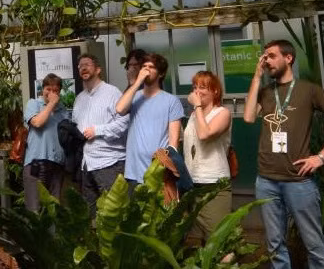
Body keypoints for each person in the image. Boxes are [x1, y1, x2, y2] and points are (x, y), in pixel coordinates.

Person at [244, 40, 324, 269]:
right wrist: (256, 77)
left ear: (289, 58)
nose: (267, 61)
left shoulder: (309, 89)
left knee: (314, 244)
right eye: (264, 57)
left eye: (272, 56)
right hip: (266, 180)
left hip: (299, 181)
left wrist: (321, 157)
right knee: (275, 245)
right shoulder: (266, 92)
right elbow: (247, 117)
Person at [71, 53, 130, 216]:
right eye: (80, 65)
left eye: (87, 64)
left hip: (109, 162)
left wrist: (98, 130)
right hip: (87, 164)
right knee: (90, 215)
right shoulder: (79, 99)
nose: (83, 67)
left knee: (114, 214)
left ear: (98, 69)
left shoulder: (112, 93)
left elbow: (125, 122)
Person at [116, 53, 184, 185]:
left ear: (161, 74)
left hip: (158, 173)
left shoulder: (171, 101)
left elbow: (173, 143)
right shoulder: (134, 96)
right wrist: (137, 82)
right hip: (133, 172)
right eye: (144, 66)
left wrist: (167, 168)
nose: (146, 70)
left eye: (151, 67)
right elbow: (119, 109)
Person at [183, 70, 232, 241]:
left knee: (219, 240)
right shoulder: (193, 116)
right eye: (195, 87)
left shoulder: (223, 113)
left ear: (215, 91)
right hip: (192, 182)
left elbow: (205, 135)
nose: (197, 91)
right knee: (205, 240)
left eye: (202, 87)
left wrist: (196, 106)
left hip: (214, 183)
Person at [22, 73, 70, 211]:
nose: (51, 93)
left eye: (55, 90)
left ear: (59, 92)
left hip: (57, 165)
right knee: (35, 210)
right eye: (48, 89)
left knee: (54, 209)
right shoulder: (33, 104)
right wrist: (51, 104)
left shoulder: (64, 112)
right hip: (36, 164)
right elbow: (37, 123)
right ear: (42, 89)